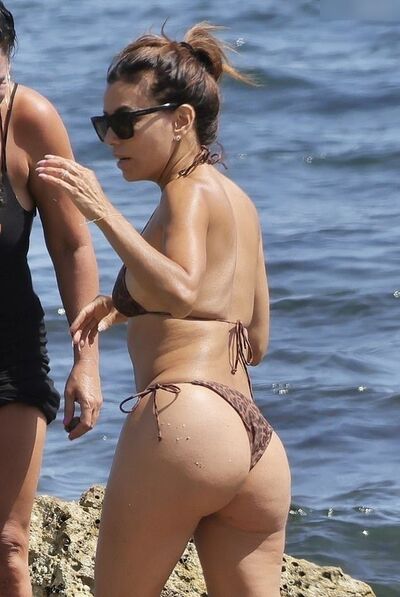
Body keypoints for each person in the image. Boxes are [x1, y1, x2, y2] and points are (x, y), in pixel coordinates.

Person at [37, 22, 291, 597]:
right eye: (104, 124)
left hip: (184, 421)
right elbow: (255, 338)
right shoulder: (239, 202)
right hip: (255, 443)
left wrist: (102, 211)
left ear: (181, 120)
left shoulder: (185, 192)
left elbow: (181, 290)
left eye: (125, 122)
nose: (111, 138)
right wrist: (125, 304)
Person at [0, 4, 102, 596]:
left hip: (8, 355)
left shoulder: (28, 119)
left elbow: (71, 244)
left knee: (8, 546)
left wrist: (86, 360)